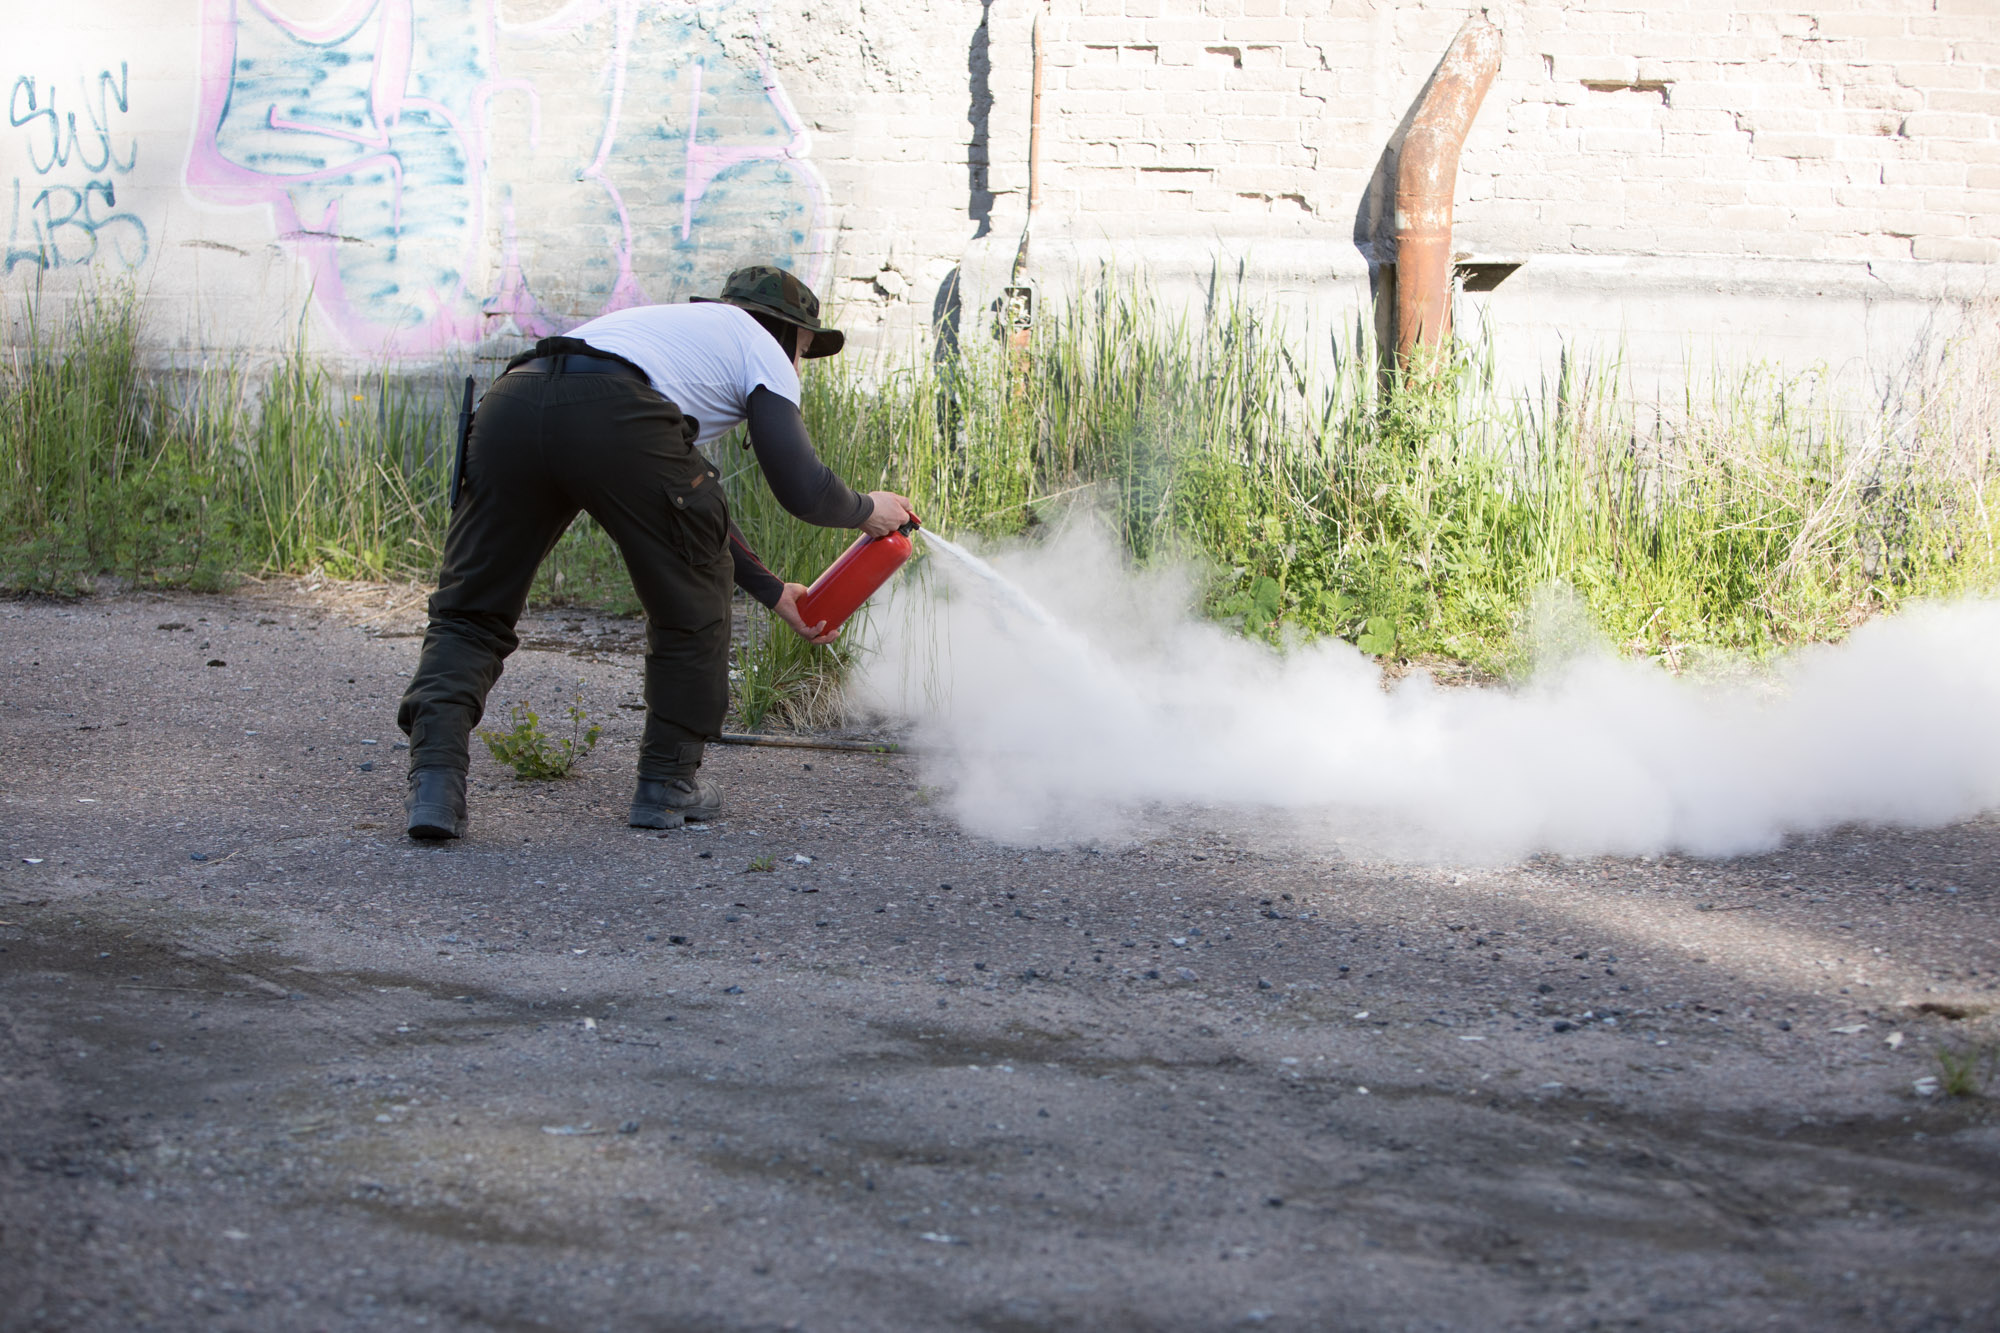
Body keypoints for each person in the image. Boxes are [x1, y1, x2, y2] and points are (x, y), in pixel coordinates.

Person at [396, 266, 917, 840]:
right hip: (616, 413)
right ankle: (668, 781)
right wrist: (869, 509)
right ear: (789, 333)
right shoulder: (761, 347)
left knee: (471, 608)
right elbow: (802, 489)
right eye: (805, 350)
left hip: (512, 401)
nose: (800, 366)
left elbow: (691, 507)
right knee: (690, 606)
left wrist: (773, 592)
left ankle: (436, 782)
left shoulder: (665, 332)